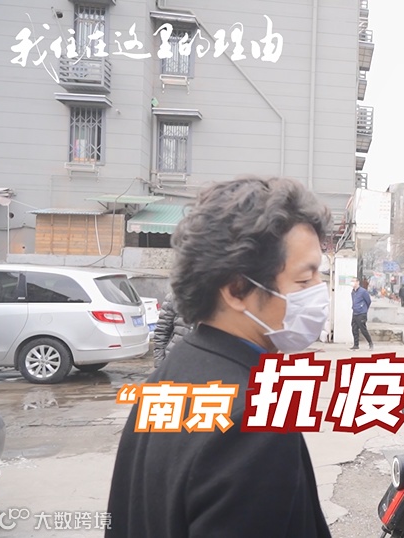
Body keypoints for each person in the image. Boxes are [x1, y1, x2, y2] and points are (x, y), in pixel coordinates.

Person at [107, 176, 333, 538]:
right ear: (237, 290)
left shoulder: (169, 376)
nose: (320, 293)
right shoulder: (252, 425)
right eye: (305, 281)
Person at [151, 290, 192, 368]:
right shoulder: (175, 297)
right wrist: (160, 365)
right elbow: (161, 332)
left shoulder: (215, 298)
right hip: (175, 362)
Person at [350, 278, 373, 350]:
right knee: (354, 329)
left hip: (361, 313)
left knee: (363, 329)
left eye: (353, 281)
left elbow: (368, 301)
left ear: (358, 282)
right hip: (355, 312)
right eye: (351, 281)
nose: (352, 283)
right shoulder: (353, 292)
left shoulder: (363, 291)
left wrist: (364, 309)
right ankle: (356, 345)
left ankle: (370, 343)